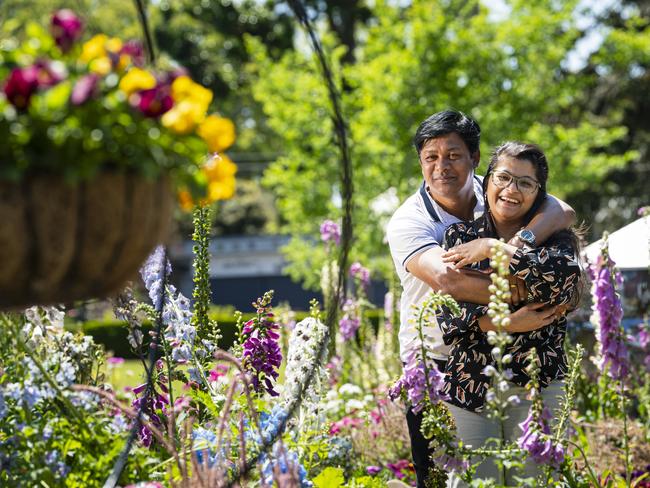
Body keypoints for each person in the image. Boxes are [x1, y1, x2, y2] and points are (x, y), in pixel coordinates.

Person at [386, 110, 575, 488]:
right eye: (431, 157)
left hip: (518, 365)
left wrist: (507, 246)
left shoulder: (499, 189)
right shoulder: (409, 220)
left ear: (475, 159)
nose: (443, 166)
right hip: (439, 363)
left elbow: (561, 211)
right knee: (444, 477)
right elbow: (447, 281)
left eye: (454, 155)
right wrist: (523, 295)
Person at [436, 141, 583, 484]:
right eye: (502, 177)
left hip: (539, 382)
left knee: (536, 479)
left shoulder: (557, 240)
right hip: (471, 384)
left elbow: (562, 285)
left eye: (525, 183)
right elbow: (449, 313)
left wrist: (494, 250)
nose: (511, 190)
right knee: (474, 480)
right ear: (486, 182)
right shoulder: (459, 236)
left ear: (538, 195)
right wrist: (509, 323)